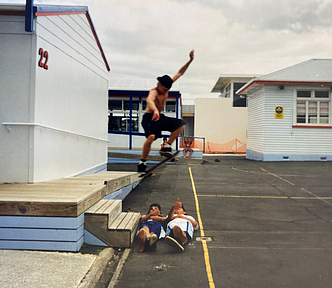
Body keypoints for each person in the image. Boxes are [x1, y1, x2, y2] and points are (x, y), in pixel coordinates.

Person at [137, 50, 195, 172]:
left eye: (167, 90)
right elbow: (149, 100)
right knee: (151, 137)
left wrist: (190, 61)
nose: (164, 92)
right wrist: (155, 110)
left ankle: (167, 146)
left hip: (160, 116)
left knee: (181, 124)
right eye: (163, 89)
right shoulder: (154, 91)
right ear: (159, 85)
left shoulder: (167, 84)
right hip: (149, 117)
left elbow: (180, 73)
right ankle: (142, 162)